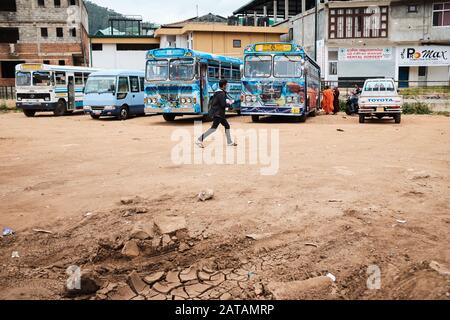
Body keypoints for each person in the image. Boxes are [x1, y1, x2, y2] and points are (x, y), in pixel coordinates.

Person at [196, 79, 237, 148]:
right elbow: (223, 104)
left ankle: (229, 142)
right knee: (213, 128)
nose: (227, 86)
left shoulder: (218, 92)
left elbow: (218, 102)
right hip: (218, 114)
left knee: (227, 126)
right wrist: (230, 104)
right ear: (224, 85)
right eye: (226, 85)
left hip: (219, 114)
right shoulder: (221, 93)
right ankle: (199, 140)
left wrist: (227, 102)